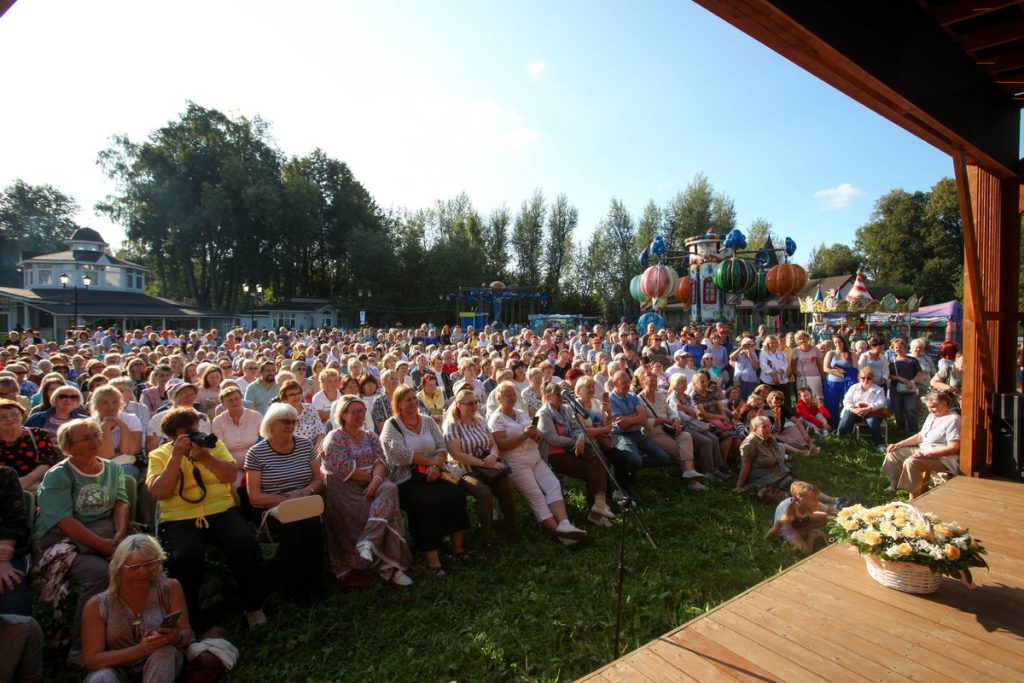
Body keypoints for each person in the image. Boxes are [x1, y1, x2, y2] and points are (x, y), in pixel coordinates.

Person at [146, 408, 266, 630]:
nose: (194, 434)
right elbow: (159, 491)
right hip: (179, 518)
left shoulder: (213, 446)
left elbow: (231, 475)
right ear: (174, 436)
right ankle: (187, 618)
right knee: (186, 555)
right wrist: (176, 457)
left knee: (243, 542)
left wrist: (205, 456)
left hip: (220, 510)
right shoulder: (159, 455)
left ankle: (253, 605)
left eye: (195, 429)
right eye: (187, 432)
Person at [33, 419, 130, 656]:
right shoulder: (59, 475)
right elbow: (64, 521)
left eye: (97, 435)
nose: (95, 441)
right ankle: (81, 647)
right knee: (100, 574)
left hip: (105, 532)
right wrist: (103, 546)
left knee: (139, 563)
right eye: (86, 438)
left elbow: (121, 501)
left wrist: (119, 532)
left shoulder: (112, 468)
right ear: (69, 446)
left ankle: (126, 632)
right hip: (61, 540)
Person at [322, 395, 413, 585]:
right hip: (345, 489)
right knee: (379, 512)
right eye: (354, 412)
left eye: (362, 411)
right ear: (343, 415)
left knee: (389, 487)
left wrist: (377, 479)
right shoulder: (335, 437)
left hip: (372, 483)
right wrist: (372, 478)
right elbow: (344, 468)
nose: (360, 415)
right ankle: (377, 564)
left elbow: (381, 461)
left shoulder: (370, 436)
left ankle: (375, 549)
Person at [380, 385, 470, 578]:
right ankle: (433, 559)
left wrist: (436, 466)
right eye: (408, 400)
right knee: (425, 504)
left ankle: (457, 548)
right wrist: (429, 462)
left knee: (456, 495)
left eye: (414, 398)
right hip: (406, 478)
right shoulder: (392, 425)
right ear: (398, 404)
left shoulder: (428, 421)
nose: (413, 402)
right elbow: (398, 453)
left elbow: (442, 445)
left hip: (435, 472)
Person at [488, 381, 587, 546]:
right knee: (536, 496)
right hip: (516, 462)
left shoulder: (521, 413)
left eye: (514, 394)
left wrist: (535, 435)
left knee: (553, 484)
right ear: (499, 398)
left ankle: (565, 525)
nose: (512, 398)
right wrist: (525, 436)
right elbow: (502, 445)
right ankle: (560, 533)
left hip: (534, 457)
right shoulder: (496, 418)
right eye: (508, 395)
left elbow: (535, 435)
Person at [81, 534, 192, 683]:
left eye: (150, 564)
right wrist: (141, 650)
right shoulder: (97, 605)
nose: (143, 573)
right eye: (134, 568)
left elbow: (187, 633)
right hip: (118, 670)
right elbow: (92, 661)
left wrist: (175, 637)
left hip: (161, 664)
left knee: (165, 653)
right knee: (102, 677)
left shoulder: (170, 588)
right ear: (119, 568)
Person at [245, 404, 325, 603]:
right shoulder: (256, 453)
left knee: (314, 527)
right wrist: (285, 499)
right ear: (271, 425)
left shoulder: (305, 445)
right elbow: (254, 496)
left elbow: (318, 479)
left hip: (303, 502)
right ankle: (293, 586)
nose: (291, 426)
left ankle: (316, 582)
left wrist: (305, 492)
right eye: (285, 422)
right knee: (293, 531)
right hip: (271, 508)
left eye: (293, 422)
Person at [443, 387, 519, 560]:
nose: (474, 406)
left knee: (507, 485)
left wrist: (493, 455)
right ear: (459, 405)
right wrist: (485, 463)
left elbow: (493, 443)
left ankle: (511, 529)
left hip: (488, 466)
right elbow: (457, 454)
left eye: (476, 402)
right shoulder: (452, 425)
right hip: (465, 469)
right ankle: (487, 540)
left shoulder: (480, 420)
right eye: (469, 403)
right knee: (484, 494)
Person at [536, 381, 619, 523]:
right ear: (548, 397)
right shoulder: (543, 414)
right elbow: (553, 439)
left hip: (574, 449)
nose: (561, 398)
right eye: (557, 396)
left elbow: (578, 427)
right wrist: (576, 441)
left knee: (596, 456)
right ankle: (597, 510)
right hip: (555, 454)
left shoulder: (567, 409)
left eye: (562, 395)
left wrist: (580, 437)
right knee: (595, 467)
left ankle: (598, 505)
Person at [631, 371, 705, 490]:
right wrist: (663, 420)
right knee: (678, 447)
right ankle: (691, 480)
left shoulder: (659, 395)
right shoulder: (639, 400)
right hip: (653, 433)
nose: (654, 384)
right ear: (643, 382)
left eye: (655, 381)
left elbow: (671, 411)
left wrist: (675, 420)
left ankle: (689, 472)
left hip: (668, 429)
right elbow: (644, 422)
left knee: (686, 436)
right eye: (651, 382)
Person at [882, 390, 961, 500]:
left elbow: (953, 447)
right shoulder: (932, 416)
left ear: (944, 404)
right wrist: (899, 444)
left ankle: (913, 497)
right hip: (924, 450)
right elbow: (920, 436)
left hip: (943, 458)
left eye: (932, 407)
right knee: (894, 452)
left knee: (912, 462)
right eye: (928, 407)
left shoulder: (953, 419)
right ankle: (893, 486)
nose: (930, 410)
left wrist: (927, 454)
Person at [572, 375, 637, 489]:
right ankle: (605, 493)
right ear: (579, 389)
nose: (592, 390)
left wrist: (609, 413)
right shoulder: (575, 405)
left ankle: (621, 490)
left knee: (623, 458)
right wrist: (604, 429)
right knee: (602, 463)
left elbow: (607, 425)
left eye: (593, 387)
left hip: (603, 441)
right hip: (587, 443)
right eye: (588, 387)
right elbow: (584, 430)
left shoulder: (597, 402)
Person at [608, 370, 671, 472]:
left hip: (637, 433)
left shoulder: (632, 395)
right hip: (622, 435)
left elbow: (643, 417)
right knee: (635, 460)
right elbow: (621, 424)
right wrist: (636, 416)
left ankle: (632, 466)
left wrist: (626, 418)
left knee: (664, 458)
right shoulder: (610, 399)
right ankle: (630, 467)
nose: (628, 384)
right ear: (615, 383)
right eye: (624, 382)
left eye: (629, 381)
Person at [0, 399, 57, 491]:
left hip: (35, 486)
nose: (10, 419)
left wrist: (24, 482)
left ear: (22, 416)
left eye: (14, 414)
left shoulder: (38, 434)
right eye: (2, 417)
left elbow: (47, 461)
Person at [764, 481, 832, 554]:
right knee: (807, 551)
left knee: (829, 517)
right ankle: (812, 536)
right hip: (788, 529)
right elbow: (775, 528)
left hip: (800, 522)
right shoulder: (787, 511)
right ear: (803, 500)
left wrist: (844, 517)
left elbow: (832, 511)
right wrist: (765, 542)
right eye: (814, 499)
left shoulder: (809, 503)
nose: (817, 501)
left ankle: (808, 532)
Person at [89, 386, 143, 477]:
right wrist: (105, 428)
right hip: (98, 465)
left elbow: (129, 452)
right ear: (96, 405)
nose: (111, 407)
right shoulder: (90, 424)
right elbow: (106, 456)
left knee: (122, 473)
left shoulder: (131, 419)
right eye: (105, 403)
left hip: (127, 464)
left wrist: (122, 425)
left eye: (115, 402)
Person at [733, 416, 793, 496]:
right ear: (754, 429)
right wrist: (739, 486)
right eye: (764, 427)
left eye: (769, 426)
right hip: (758, 475)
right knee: (788, 485)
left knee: (792, 484)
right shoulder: (750, 443)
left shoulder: (770, 438)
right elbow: (745, 466)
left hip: (773, 471)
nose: (768, 429)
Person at [0, 464, 31, 616]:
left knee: (10, 587)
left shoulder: (5, 475)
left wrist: (2, 561)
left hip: (7, 553)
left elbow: (14, 522)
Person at [210, 385, 261, 469]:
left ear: (242, 398)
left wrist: (252, 464)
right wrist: (236, 464)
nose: (234, 402)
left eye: (237, 399)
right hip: (229, 462)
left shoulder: (256, 416)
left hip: (255, 460)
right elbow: (219, 448)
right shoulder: (218, 421)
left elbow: (265, 440)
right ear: (223, 403)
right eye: (230, 400)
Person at [837, 368, 888, 451]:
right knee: (847, 417)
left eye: (868, 378)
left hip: (871, 411)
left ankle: (879, 444)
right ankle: (841, 440)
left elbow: (881, 402)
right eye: (863, 378)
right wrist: (854, 409)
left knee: (873, 421)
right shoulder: (854, 387)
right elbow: (846, 400)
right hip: (856, 410)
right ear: (859, 378)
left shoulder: (878, 389)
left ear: (872, 379)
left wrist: (869, 408)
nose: (865, 380)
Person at [23, 384, 90, 443]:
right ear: (54, 399)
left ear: (78, 401)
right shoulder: (37, 418)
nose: (68, 400)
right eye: (63, 397)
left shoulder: (86, 422)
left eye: (73, 397)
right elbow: (22, 438)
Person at [888, 338, 924, 433]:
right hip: (896, 388)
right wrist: (899, 378)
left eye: (900, 347)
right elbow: (888, 375)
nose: (898, 349)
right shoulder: (892, 361)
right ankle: (901, 429)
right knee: (897, 409)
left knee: (910, 409)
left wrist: (912, 382)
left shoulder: (912, 360)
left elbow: (920, 373)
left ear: (905, 348)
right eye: (896, 347)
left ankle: (913, 430)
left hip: (909, 387)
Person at [278, 379, 326, 449]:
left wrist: (316, 448)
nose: (296, 396)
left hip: (314, 448)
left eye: (298, 393)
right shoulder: (280, 413)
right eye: (292, 394)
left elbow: (320, 431)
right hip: (291, 451)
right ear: (284, 398)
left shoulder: (309, 408)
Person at [822, 334, 856, 429]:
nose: (837, 344)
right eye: (835, 342)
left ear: (844, 342)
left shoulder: (851, 354)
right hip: (832, 383)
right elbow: (825, 368)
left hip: (847, 383)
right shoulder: (830, 353)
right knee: (831, 404)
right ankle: (832, 426)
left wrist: (845, 372)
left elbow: (855, 368)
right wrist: (836, 371)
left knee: (847, 404)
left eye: (839, 342)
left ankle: (845, 426)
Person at [789, 331, 823, 400]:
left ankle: (816, 410)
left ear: (807, 338)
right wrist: (797, 373)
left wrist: (823, 375)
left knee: (815, 397)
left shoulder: (815, 349)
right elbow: (792, 365)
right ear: (797, 341)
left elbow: (820, 364)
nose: (802, 340)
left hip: (814, 377)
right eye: (799, 339)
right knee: (802, 397)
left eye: (803, 338)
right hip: (801, 378)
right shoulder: (796, 350)